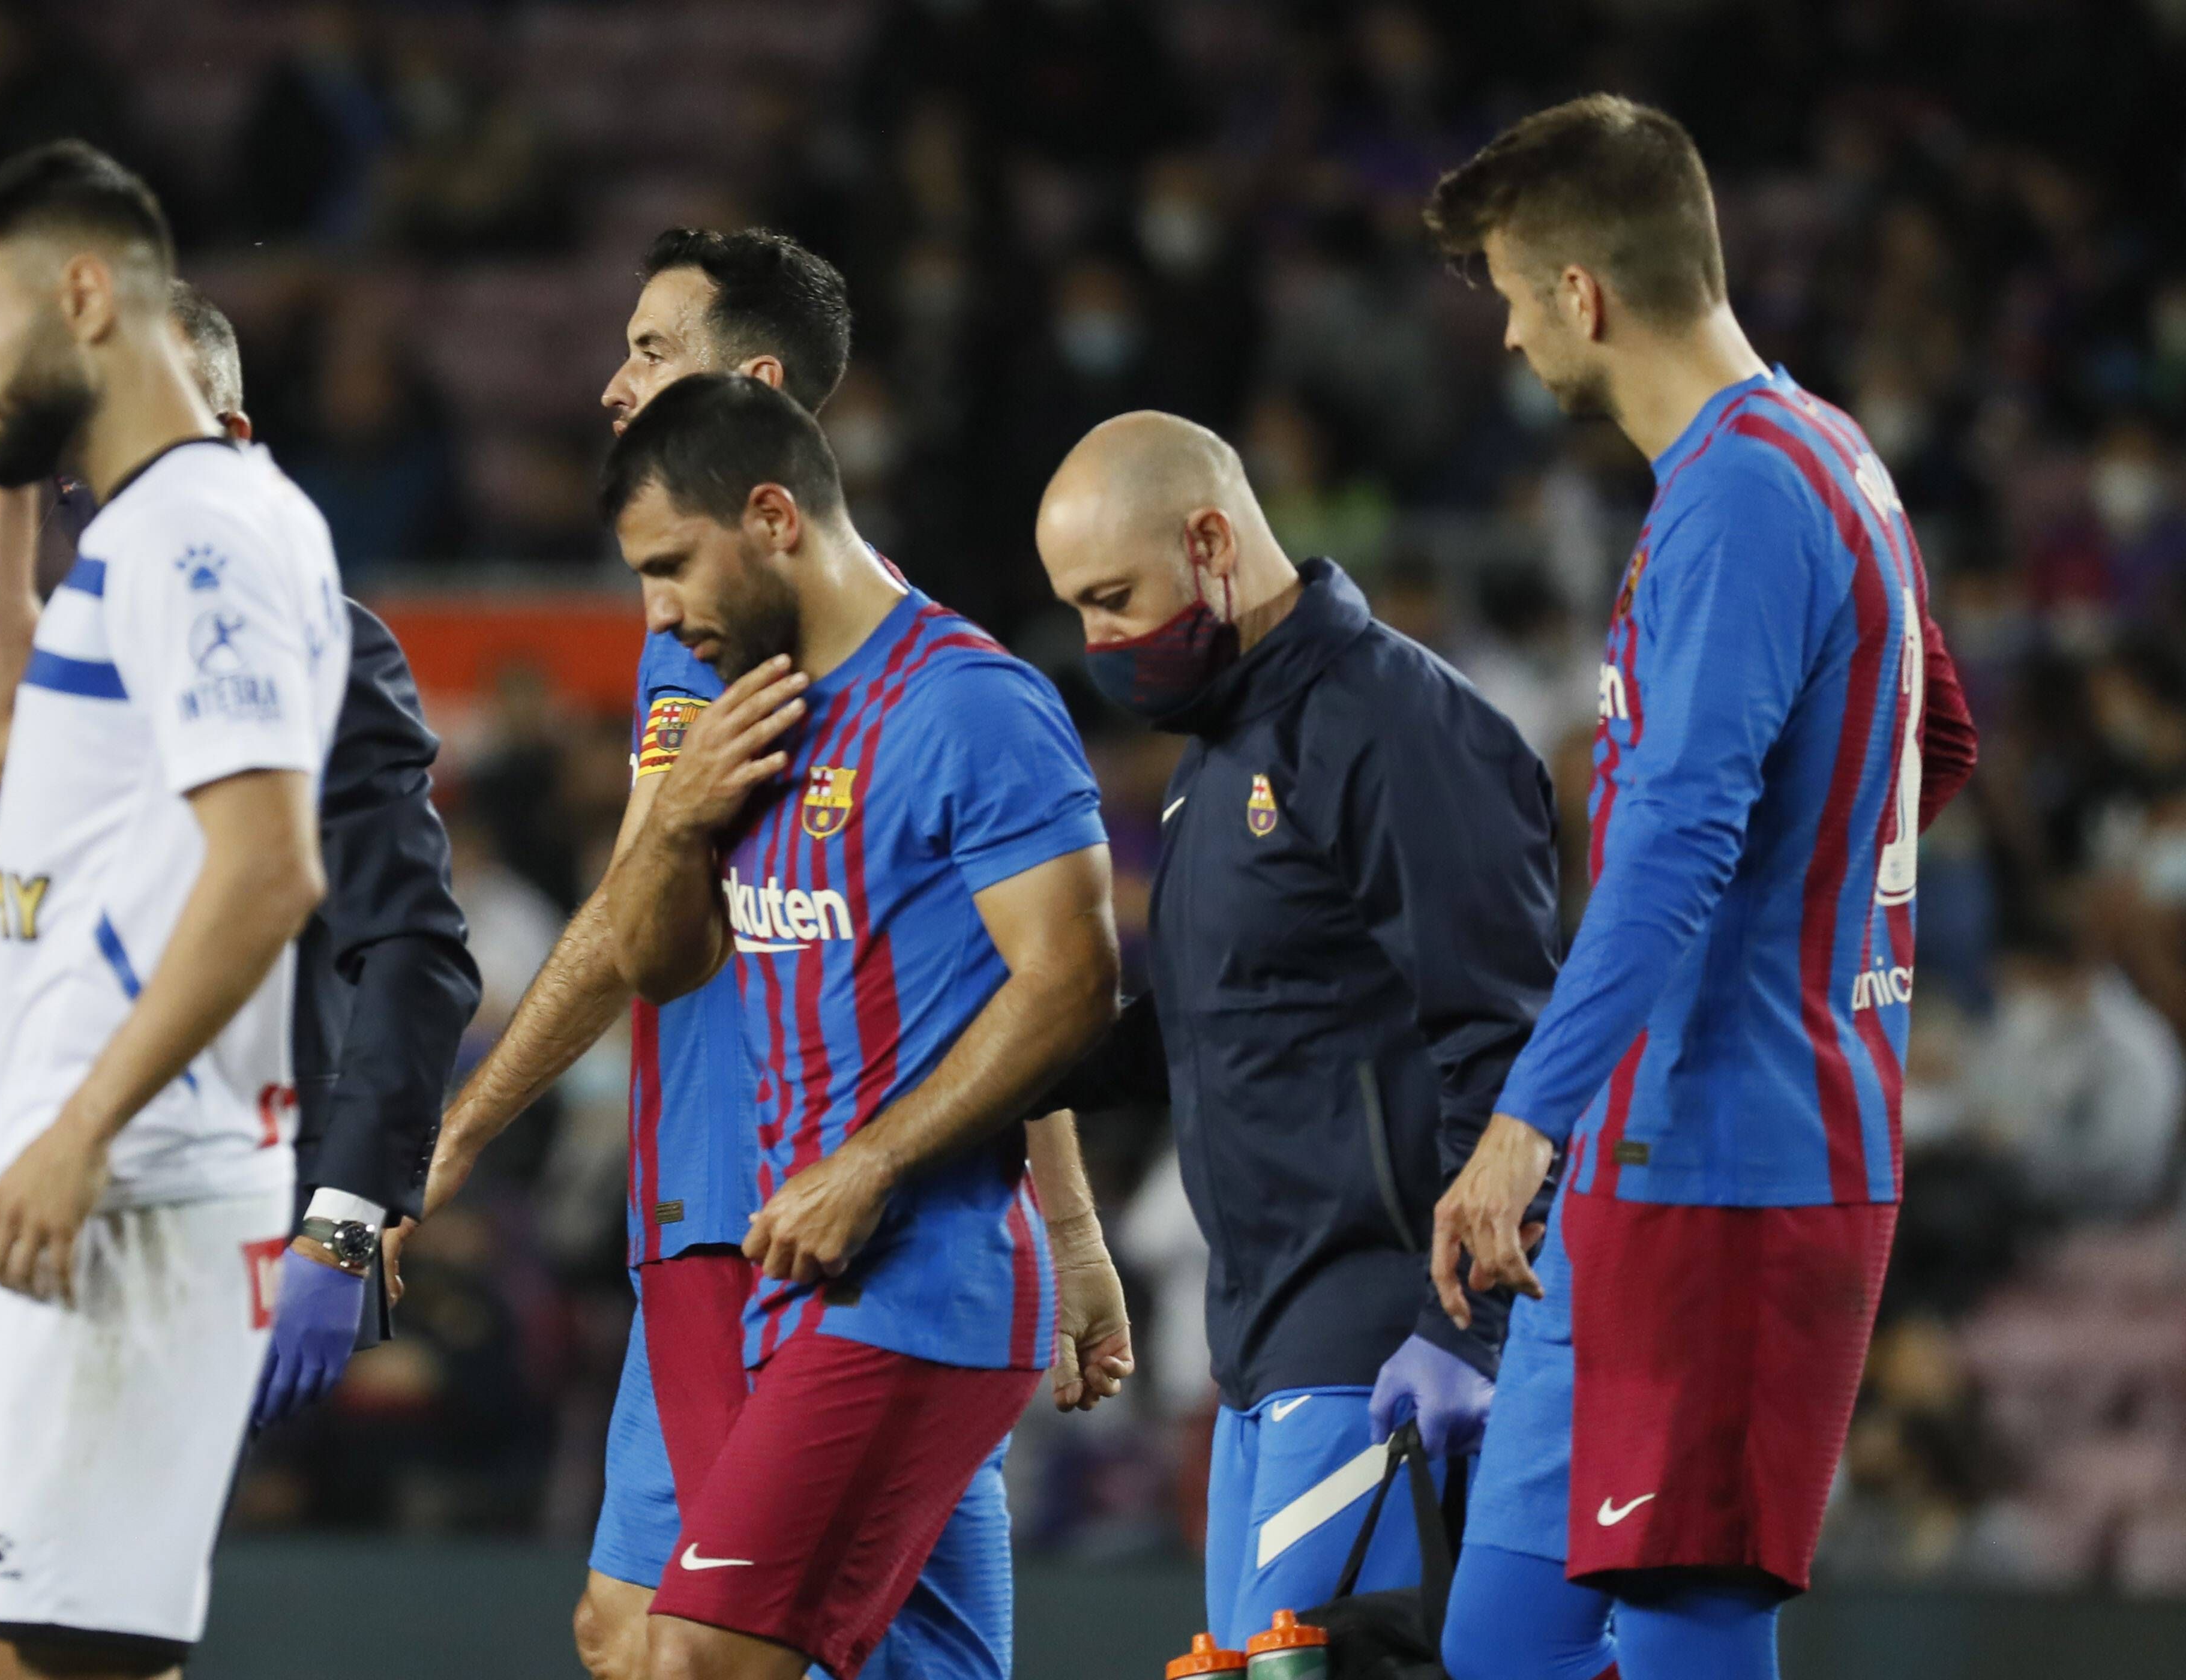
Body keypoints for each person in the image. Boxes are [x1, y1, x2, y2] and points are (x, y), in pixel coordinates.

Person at [411, 230, 1132, 1680]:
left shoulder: (934, 690)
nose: (614, 385)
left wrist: (1059, 1223)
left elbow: (1024, 973)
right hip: (717, 1215)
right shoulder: (696, 652)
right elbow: (644, 919)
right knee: (653, 1632)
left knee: (705, 1647)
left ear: (757, 437)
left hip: (861, 1230)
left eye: (651, 350)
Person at [1419, 97, 1979, 1680]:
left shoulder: (1737, 496)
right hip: (1642, 1153)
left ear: (1583, 294)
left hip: (1738, 1162)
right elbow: (1933, 740)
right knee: (1505, 1648)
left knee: (1684, 1639)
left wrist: (1521, 1128)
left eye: (1518, 301)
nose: (1520, 345)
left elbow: (1676, 846)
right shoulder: (1828, 450)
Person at [0, 281, 481, 1433]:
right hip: (49, 1214)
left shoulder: (317, 641)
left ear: (235, 442)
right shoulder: (65, 663)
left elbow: (413, 949)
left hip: (228, 1224)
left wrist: (340, 1222)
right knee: (10, 1620)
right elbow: (42, 975)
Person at [596, 372, 1119, 1680]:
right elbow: (659, 965)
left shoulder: (969, 704)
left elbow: (1070, 982)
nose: (661, 613)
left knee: (692, 1654)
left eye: (672, 567)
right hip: (801, 1278)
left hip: (922, 1278)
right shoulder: (751, 717)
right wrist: (676, 817)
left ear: (773, 515)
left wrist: (879, 1161)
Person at [0, 140, 350, 1680]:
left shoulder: (204, 528)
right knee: (33, 1657)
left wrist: (80, 1129)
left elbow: (268, 865)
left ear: (84, 295)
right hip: (80, 1202)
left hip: (135, 1195)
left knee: (55, 1663)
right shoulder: (136, 533)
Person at [1031, 410, 1563, 1646]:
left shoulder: (1399, 724)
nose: (1099, 640)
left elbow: (1514, 1041)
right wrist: (989, 1077)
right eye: (1079, 609)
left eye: (1113, 597)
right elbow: (1226, 1016)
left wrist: (1465, 1329)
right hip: (1262, 1343)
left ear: (1212, 537)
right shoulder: (1216, 757)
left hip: (1383, 1336)